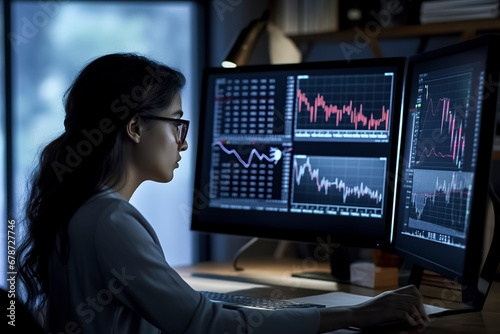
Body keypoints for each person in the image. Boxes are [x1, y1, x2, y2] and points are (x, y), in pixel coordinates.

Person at [18, 53, 430, 334]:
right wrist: (351, 315)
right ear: (135, 128)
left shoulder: (80, 209)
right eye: (176, 122)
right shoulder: (110, 221)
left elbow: (196, 315)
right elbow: (203, 325)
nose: (183, 141)